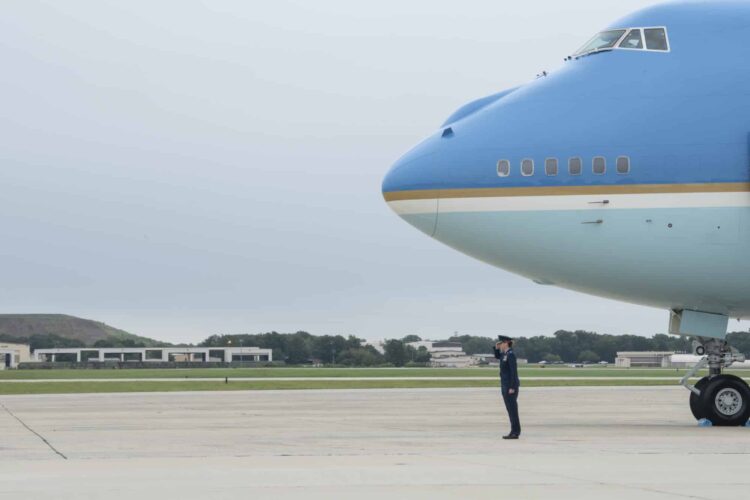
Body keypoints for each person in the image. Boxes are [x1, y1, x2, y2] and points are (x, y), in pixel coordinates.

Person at [494, 335, 521, 439]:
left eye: (501, 343)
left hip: (510, 387)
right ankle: (513, 431)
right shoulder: (504, 354)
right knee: (510, 410)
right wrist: (496, 348)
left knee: (513, 410)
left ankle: (515, 432)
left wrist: (512, 387)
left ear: (506, 343)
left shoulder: (510, 355)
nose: (500, 344)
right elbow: (498, 357)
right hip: (505, 386)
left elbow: (514, 372)